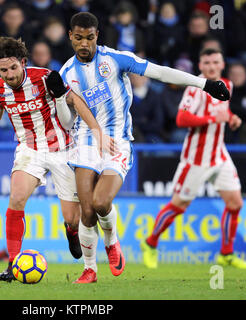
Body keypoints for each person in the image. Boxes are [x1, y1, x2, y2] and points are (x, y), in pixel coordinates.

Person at [58, 12, 230, 283]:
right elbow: (67, 122)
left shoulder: (115, 59)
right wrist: (60, 100)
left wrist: (204, 84)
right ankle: (89, 269)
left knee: (102, 203)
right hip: (86, 141)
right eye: (78, 38)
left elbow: (159, 72)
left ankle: (112, 241)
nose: (84, 44)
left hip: (118, 141)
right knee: (87, 210)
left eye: (89, 38)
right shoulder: (66, 73)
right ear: (70, 36)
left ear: (97, 36)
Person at [0, 36, 116, 282]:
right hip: (29, 150)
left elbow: (75, 101)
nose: (9, 74)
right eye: (3, 70)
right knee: (17, 197)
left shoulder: (44, 77)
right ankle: (13, 263)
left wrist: (97, 133)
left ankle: (72, 232)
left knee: (74, 219)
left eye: (13, 68)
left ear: (23, 62)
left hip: (63, 150)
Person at [140, 48, 246, 270]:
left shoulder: (227, 86)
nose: (211, 67)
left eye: (215, 62)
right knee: (179, 205)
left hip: (219, 153)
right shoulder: (196, 89)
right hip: (195, 158)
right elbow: (181, 119)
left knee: (235, 203)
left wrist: (231, 118)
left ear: (222, 65)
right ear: (200, 67)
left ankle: (226, 254)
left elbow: (223, 112)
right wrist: (213, 118)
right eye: (206, 63)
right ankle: (150, 243)